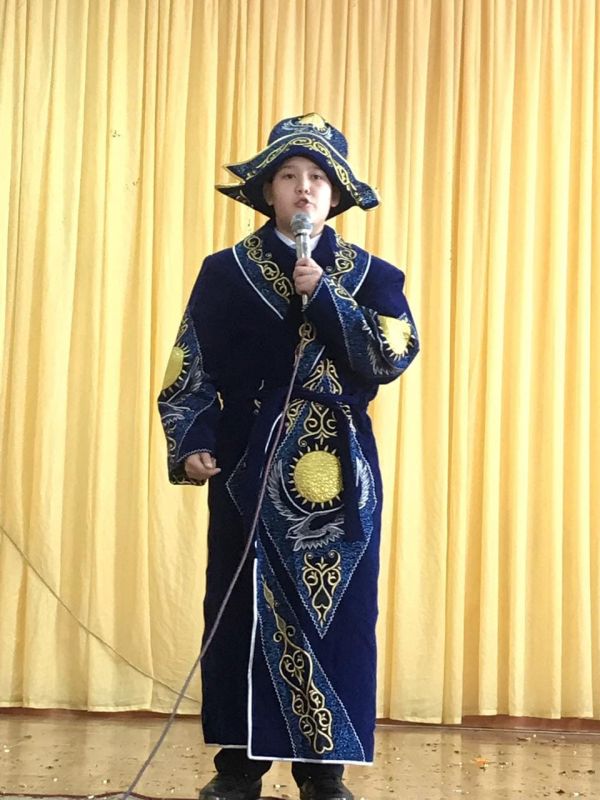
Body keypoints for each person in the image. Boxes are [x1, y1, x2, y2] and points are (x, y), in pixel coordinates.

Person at [158, 113, 419, 800]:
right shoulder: (224, 274)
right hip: (247, 463)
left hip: (339, 470)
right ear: (267, 190)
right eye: (289, 176)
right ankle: (238, 767)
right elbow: (190, 367)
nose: (304, 188)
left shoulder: (373, 276)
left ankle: (323, 770)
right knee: (240, 610)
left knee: (338, 617)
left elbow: (391, 356)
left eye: (318, 178)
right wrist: (193, 442)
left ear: (336, 194)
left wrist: (324, 296)